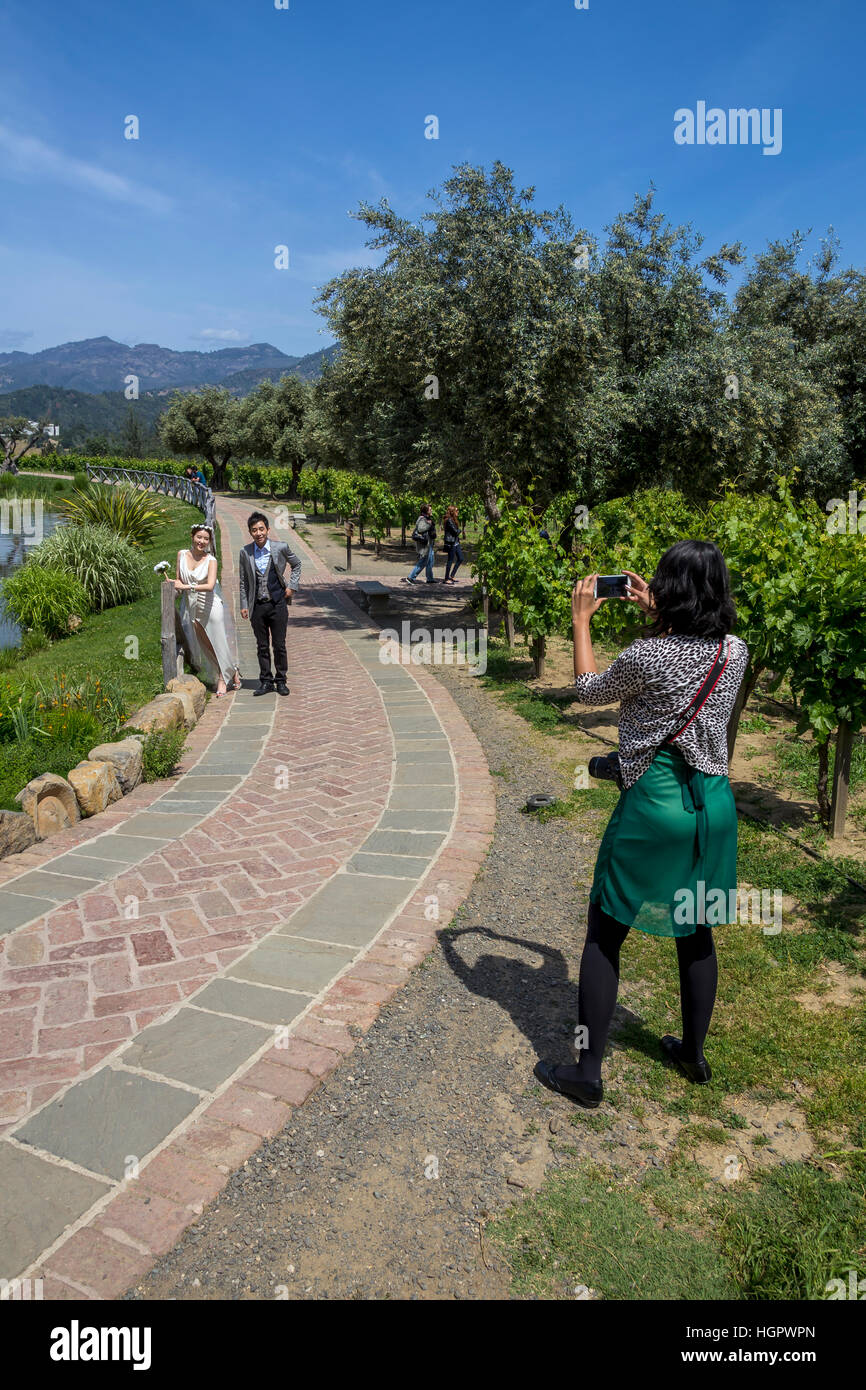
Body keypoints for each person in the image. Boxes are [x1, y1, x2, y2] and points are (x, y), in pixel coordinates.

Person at [535, 541, 749, 1108]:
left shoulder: (646, 656)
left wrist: (581, 620)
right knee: (696, 925)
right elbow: (690, 659)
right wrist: (661, 612)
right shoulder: (735, 651)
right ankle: (692, 1054)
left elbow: (586, 691)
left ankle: (586, 1072)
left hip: (655, 804)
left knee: (606, 931)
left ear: (669, 591)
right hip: (713, 805)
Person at [239, 511, 302, 696]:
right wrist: (244, 604)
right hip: (257, 606)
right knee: (262, 645)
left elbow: (297, 564)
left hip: (278, 604)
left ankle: (281, 680)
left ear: (267, 529)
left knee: (279, 645)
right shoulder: (245, 552)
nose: (258, 533)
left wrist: (292, 586)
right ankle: (265, 680)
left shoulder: (280, 547)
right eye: (254, 530)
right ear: (250, 532)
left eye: (261, 529)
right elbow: (243, 581)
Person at [174, 525, 241, 698]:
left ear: (209, 542)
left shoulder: (211, 560)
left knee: (217, 642)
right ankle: (232, 671)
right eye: (199, 537)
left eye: (206, 539)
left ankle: (222, 678)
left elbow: (210, 586)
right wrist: (173, 586)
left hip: (211, 607)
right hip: (193, 607)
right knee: (206, 645)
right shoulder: (181, 555)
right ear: (192, 536)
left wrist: (186, 586)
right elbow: (179, 581)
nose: (202, 541)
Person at [403, 503, 437, 585]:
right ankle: (410, 577)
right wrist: (429, 524)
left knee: (430, 561)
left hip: (430, 543)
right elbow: (420, 529)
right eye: (430, 509)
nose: (431, 510)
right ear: (426, 511)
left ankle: (430, 578)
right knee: (424, 561)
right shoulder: (422, 518)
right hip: (425, 544)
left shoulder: (427, 518)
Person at [443, 505, 463, 583]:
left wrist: (458, 531)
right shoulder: (449, 520)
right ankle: (446, 578)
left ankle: (452, 575)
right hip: (451, 543)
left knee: (461, 558)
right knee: (450, 560)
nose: (458, 512)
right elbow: (455, 532)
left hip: (456, 542)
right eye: (456, 511)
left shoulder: (453, 520)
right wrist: (459, 530)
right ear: (452, 512)